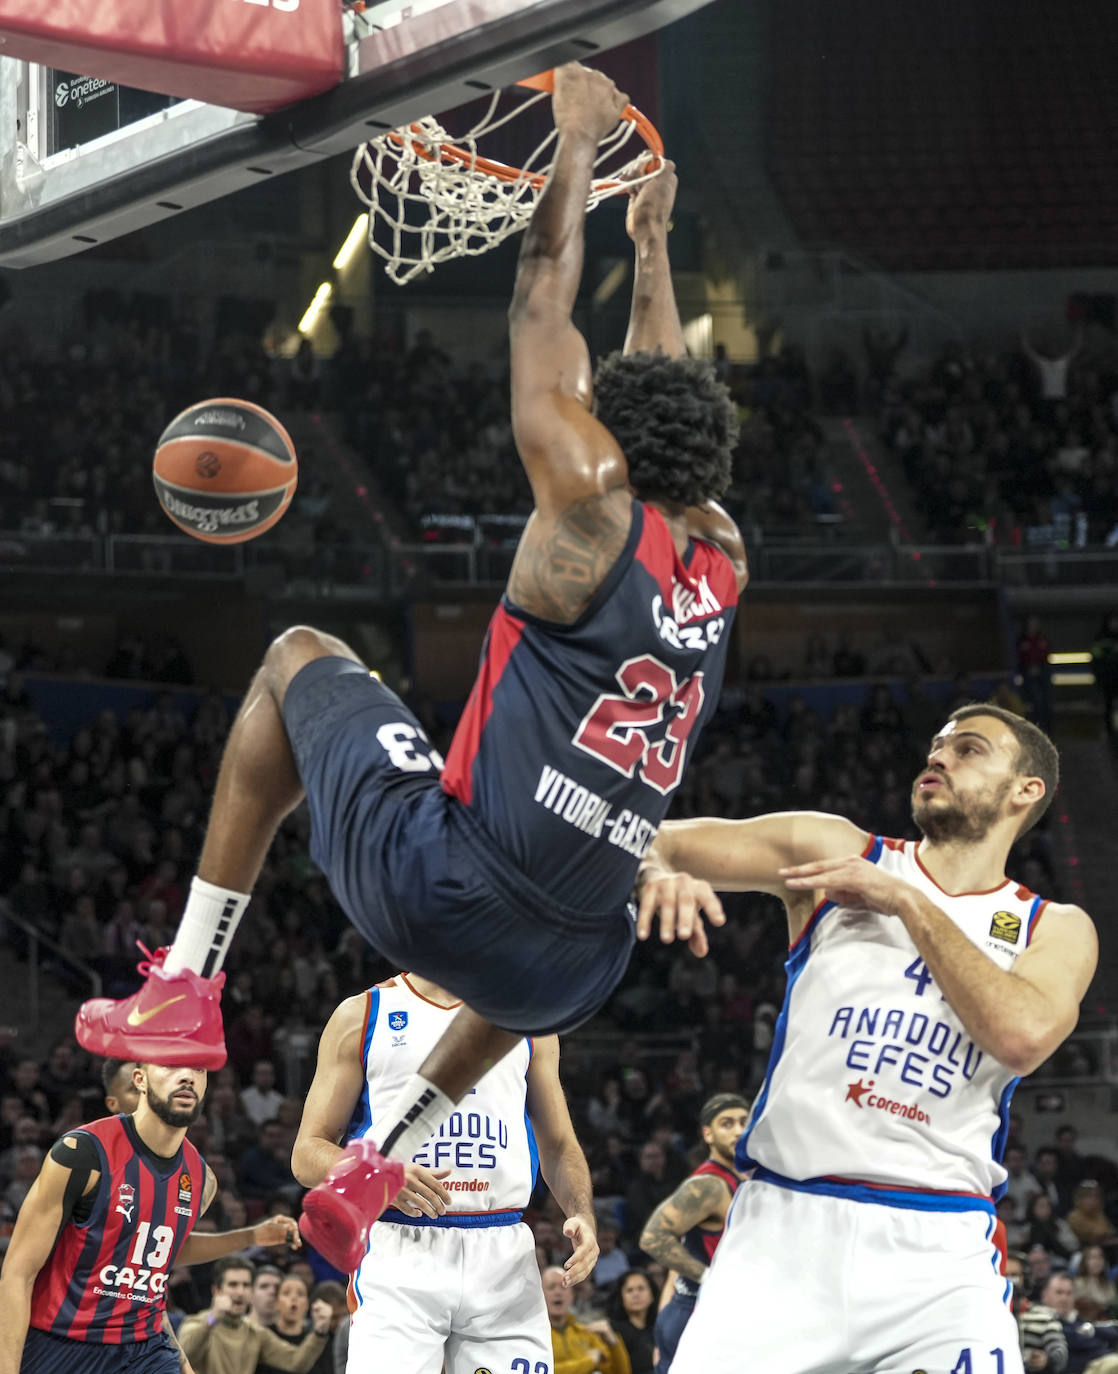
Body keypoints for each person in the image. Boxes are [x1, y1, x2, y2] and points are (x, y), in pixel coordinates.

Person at [75, 62, 746, 1270]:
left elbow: (541, 291)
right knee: (520, 958)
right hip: (573, 968)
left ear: (604, 438)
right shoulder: (721, 551)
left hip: (443, 886)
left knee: (293, 656)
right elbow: (669, 391)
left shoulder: (587, 506)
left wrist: (577, 150)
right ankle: (383, 1159)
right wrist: (654, 249)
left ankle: (186, 981)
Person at [636, 702, 1098, 1374]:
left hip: (938, 1254)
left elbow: (1021, 1034)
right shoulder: (838, 851)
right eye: (936, 744)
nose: (939, 756)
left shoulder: (1053, 926)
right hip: (782, 1233)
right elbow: (647, 835)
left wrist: (906, 902)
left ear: (1026, 790)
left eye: (968, 749)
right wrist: (656, 872)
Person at [290, 971, 598, 1369]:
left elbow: (557, 1144)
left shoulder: (529, 1018)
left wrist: (582, 1213)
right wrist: (380, 1176)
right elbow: (307, 1154)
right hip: (400, 1244)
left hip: (502, 1252)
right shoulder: (364, 1013)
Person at [0, 1062, 302, 1374]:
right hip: (62, 1344)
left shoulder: (202, 1180)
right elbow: (17, 1274)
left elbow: (158, 1254)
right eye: (172, 1066)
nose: (187, 1076)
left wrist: (250, 1236)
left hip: (145, 1348)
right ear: (140, 1079)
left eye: (198, 1069)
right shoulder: (82, 1153)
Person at [638, 1092, 747, 1373]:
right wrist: (706, 1276)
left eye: (744, 1122)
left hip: (701, 1309)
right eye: (727, 1123)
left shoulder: (744, 1179)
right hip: (697, 1312)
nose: (738, 1130)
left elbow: (678, 1264)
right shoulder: (709, 1185)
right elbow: (654, 1237)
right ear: (707, 1134)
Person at [177, 1256, 332, 1373]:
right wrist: (212, 1319)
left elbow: (295, 1362)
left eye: (246, 1285)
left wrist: (319, 1332)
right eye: (233, 1285)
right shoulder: (198, 1322)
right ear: (216, 1291)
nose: (240, 1292)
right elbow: (182, 1358)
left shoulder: (255, 1332)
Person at [543, 1265, 631, 1374]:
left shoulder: (586, 1333)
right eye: (551, 1287)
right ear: (540, 1295)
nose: (558, 1292)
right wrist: (590, 1362)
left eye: (563, 1287)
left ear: (572, 1295)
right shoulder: (535, 1335)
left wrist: (614, 1345)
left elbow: (621, 1372)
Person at [1005, 1249, 1069, 1373]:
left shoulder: (1044, 1315)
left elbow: (1060, 1352)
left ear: (1026, 1278)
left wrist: (1046, 1360)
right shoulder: (987, 1318)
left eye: (1014, 1275)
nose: (1010, 1281)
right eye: (1005, 1275)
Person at [1041, 1273, 1118, 1373]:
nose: (1064, 1298)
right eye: (1059, 1292)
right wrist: (1094, 1337)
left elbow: (1114, 1333)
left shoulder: (1077, 1320)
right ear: (1045, 1295)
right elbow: (1074, 1339)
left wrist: (1091, 1329)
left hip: (1103, 1361)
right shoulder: (1042, 1318)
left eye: (1069, 1293)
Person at [606, 1269, 659, 1374]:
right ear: (621, 1298)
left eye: (641, 1289)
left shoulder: (660, 1328)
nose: (636, 1294)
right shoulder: (612, 1330)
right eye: (629, 1290)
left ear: (652, 1295)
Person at [1090, 612, 1118, 742]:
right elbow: (1096, 659)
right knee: (1108, 705)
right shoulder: (1101, 638)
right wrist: (1099, 676)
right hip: (1107, 678)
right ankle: (1110, 731)